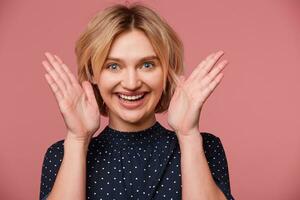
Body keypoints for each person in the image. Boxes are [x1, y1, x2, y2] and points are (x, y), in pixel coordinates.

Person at [39, 2, 234, 200]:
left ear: (166, 72)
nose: (131, 84)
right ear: (93, 74)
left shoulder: (204, 148)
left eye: (147, 65)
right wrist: (77, 140)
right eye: (113, 66)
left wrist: (188, 135)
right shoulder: (61, 155)